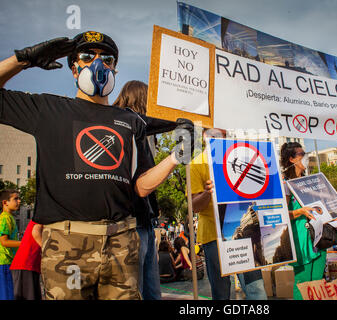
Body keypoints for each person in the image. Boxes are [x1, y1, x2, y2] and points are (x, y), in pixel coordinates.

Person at [0, 31, 194, 299]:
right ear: (73, 68)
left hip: (121, 243)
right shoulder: (48, 109)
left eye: (107, 58)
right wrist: (23, 60)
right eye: (87, 56)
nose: (98, 64)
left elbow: (139, 186)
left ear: (114, 67)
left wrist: (176, 156)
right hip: (66, 246)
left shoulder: (131, 121)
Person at [113, 80, 178, 300]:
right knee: (137, 288)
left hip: (145, 221)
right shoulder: (126, 125)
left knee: (151, 289)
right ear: (141, 98)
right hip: (132, 222)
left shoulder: (142, 130)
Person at [190, 128, 267, 300]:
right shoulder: (196, 164)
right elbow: (195, 207)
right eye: (210, 134)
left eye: (220, 134)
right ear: (203, 136)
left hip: (243, 233)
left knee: (256, 290)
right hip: (213, 236)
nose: (215, 138)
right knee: (221, 292)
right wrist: (207, 193)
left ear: (225, 136)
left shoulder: (241, 158)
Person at [280, 142, 327, 300]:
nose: (306, 157)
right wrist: (300, 211)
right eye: (302, 154)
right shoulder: (285, 183)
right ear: (292, 159)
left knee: (318, 283)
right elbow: (282, 215)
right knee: (303, 284)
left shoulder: (310, 181)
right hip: (300, 240)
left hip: (319, 237)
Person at [10, 220, 43, 300]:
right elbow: (35, 232)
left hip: (30, 264)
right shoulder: (43, 215)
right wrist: (47, 249)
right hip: (26, 264)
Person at [0, 189, 21, 300]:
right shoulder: (5, 218)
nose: (19, 201)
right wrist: (24, 243)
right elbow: (4, 242)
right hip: (4, 263)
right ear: (5, 202)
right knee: (6, 296)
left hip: (8, 263)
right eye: (15, 199)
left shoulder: (9, 217)